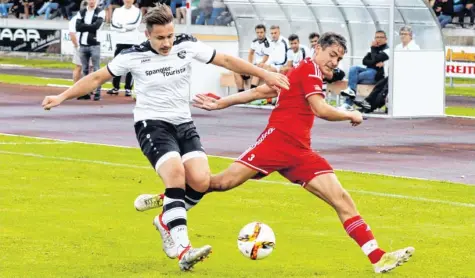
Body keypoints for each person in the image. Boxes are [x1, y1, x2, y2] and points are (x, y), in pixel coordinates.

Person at [134, 32, 415, 274]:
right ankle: (167, 202)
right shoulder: (308, 70)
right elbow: (320, 109)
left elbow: (261, 92)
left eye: (340, 59)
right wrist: (349, 114)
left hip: (300, 152)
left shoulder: (305, 71)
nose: (335, 62)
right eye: (332, 54)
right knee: (216, 183)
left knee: (341, 198)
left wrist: (223, 103)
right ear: (318, 49)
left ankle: (378, 258)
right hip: (276, 143)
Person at [41, 4, 289, 272]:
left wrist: (264, 73)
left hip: (184, 123)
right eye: (160, 38)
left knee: (201, 181)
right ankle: (184, 249)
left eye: (170, 36)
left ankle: (164, 219)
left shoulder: (187, 45)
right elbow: (97, 77)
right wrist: (62, 96)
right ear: (147, 35)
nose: (167, 43)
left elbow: (226, 61)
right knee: (176, 177)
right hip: (152, 124)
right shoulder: (132, 56)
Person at [107, 0, 141, 97]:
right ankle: (115, 87)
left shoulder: (137, 11)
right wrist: (125, 27)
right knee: (117, 65)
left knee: (131, 67)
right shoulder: (117, 11)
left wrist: (122, 27)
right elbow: (113, 25)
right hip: (120, 41)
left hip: (133, 41)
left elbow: (135, 24)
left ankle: (128, 88)